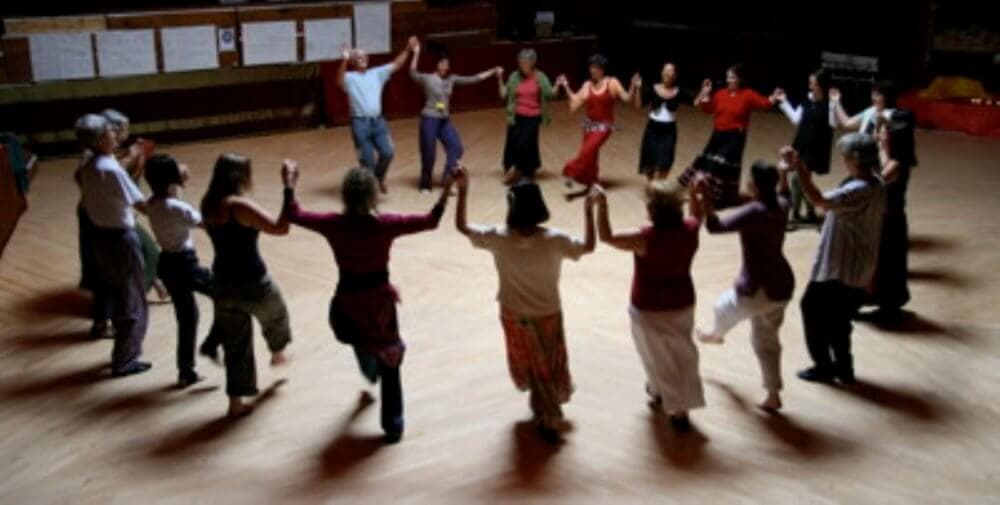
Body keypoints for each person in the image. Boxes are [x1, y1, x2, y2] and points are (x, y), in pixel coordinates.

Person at [280, 164, 453, 443]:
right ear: (374, 195)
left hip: (348, 298)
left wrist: (289, 183)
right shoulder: (385, 226)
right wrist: (447, 190)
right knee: (391, 360)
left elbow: (294, 214)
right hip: (379, 302)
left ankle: (368, 364)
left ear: (345, 196)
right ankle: (393, 424)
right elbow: (431, 220)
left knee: (353, 335)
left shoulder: (333, 224)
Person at [454, 168, 595, 443]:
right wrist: (590, 209)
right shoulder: (555, 239)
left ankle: (549, 414)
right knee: (548, 363)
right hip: (548, 313)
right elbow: (589, 246)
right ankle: (548, 408)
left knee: (531, 364)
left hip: (513, 313)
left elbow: (462, 227)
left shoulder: (498, 238)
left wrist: (463, 190)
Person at [592, 180, 705, 431]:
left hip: (648, 306)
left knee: (655, 356)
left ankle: (670, 403)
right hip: (683, 302)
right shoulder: (690, 230)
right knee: (684, 354)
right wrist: (698, 194)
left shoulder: (645, 237)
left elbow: (607, 237)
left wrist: (602, 205)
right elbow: (698, 215)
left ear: (652, 210)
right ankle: (677, 403)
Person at [694, 161, 795, 412]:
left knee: (722, 307)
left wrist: (705, 196)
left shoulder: (754, 211)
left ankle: (715, 335)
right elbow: (785, 193)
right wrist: (784, 172)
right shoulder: (781, 205)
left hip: (756, 287)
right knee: (767, 341)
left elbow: (714, 226)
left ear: (755, 185)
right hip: (782, 285)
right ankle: (773, 394)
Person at [789, 134, 886, 384]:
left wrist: (799, 169)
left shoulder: (859, 189)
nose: (843, 160)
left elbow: (819, 200)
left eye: (846, 156)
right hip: (857, 267)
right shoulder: (878, 183)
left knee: (812, 308)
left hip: (841, 268)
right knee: (839, 322)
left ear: (855, 159)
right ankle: (844, 368)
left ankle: (824, 366)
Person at [202, 153, 293, 418]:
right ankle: (277, 351)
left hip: (221, 282)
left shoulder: (209, 203)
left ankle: (235, 404)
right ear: (240, 176)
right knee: (277, 315)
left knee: (236, 345)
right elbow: (281, 227)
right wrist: (289, 187)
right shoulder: (238, 206)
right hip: (252, 281)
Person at [75, 113, 152, 377]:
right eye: (109, 131)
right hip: (120, 239)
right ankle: (125, 359)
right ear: (99, 139)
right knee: (132, 301)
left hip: (100, 236)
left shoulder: (88, 165)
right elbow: (140, 203)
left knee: (119, 294)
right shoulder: (110, 169)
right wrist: (169, 203)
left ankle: (122, 352)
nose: (115, 134)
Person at [145, 154, 218, 388]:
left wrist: (178, 185)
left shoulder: (152, 203)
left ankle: (186, 371)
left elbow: (177, 208)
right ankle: (214, 344)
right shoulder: (177, 207)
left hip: (166, 263)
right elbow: (205, 222)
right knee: (226, 293)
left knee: (187, 319)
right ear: (171, 180)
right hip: (185, 264)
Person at [678, 64, 778, 208]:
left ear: (740, 79)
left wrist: (774, 97)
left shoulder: (748, 94)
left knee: (721, 166)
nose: (728, 80)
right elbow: (708, 109)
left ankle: (716, 197)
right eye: (728, 77)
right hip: (717, 135)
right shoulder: (720, 94)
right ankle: (700, 192)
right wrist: (704, 93)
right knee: (706, 162)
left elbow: (765, 103)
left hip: (735, 138)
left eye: (732, 77)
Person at [410, 39, 501, 192]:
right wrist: (417, 53)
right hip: (429, 119)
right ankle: (425, 184)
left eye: (448, 64)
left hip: (444, 120)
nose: (446, 66)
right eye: (443, 63)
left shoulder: (452, 79)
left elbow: (474, 79)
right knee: (429, 153)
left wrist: (492, 71)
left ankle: (447, 179)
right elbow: (412, 73)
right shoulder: (428, 79)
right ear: (437, 65)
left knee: (456, 147)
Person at [102, 109, 170, 303]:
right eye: (123, 129)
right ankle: (136, 295)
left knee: (139, 253)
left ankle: (157, 286)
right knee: (150, 253)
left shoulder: (114, 154)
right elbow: (117, 179)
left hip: (116, 213)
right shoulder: (104, 158)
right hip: (115, 217)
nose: (126, 133)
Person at [337, 37, 419, 194]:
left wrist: (408, 49)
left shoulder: (377, 73)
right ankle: (369, 194)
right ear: (353, 61)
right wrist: (344, 60)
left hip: (378, 122)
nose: (363, 59)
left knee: (388, 152)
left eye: (365, 56)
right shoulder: (350, 78)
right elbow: (339, 79)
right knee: (367, 162)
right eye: (358, 57)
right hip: (360, 124)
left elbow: (396, 64)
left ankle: (379, 177)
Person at [859, 111, 917, 323]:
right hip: (883, 217)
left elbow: (880, 180)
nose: (880, 134)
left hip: (891, 220)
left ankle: (888, 307)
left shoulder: (899, 161)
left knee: (888, 265)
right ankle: (876, 300)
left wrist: (881, 149)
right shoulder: (892, 156)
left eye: (884, 132)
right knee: (878, 264)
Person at [557, 54, 636, 198]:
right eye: (591, 67)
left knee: (587, 151)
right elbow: (576, 99)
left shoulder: (612, 82)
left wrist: (633, 85)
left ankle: (570, 172)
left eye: (595, 67)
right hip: (589, 126)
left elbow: (627, 98)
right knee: (591, 156)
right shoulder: (587, 85)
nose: (591, 70)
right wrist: (566, 85)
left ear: (602, 69)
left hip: (605, 126)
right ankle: (593, 183)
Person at [773, 69, 836, 227]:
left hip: (816, 148)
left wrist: (835, 104)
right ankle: (808, 212)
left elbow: (834, 124)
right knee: (801, 179)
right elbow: (796, 119)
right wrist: (784, 101)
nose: (810, 85)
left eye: (813, 83)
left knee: (798, 178)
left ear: (821, 85)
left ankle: (795, 214)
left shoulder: (830, 105)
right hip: (801, 145)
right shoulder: (807, 100)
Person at [498, 48, 558, 183]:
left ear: (532, 63)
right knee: (512, 143)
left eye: (526, 63)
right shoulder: (514, 76)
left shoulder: (540, 77)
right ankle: (515, 169)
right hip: (516, 115)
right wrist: (500, 78)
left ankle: (521, 171)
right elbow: (503, 94)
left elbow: (550, 94)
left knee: (526, 143)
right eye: (521, 62)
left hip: (533, 117)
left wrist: (558, 85)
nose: (523, 65)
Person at [634, 62, 682, 180]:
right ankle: (651, 188)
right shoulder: (653, 88)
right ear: (661, 73)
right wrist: (638, 88)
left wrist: (703, 92)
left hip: (669, 130)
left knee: (666, 160)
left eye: (670, 70)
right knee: (650, 160)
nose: (667, 73)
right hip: (653, 128)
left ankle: (659, 189)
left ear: (675, 75)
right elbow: (638, 105)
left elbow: (695, 103)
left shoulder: (678, 91)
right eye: (665, 70)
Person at [830, 80, 896, 135]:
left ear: (887, 97)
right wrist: (836, 101)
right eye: (873, 94)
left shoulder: (893, 114)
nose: (873, 98)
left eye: (877, 95)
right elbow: (847, 123)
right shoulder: (870, 111)